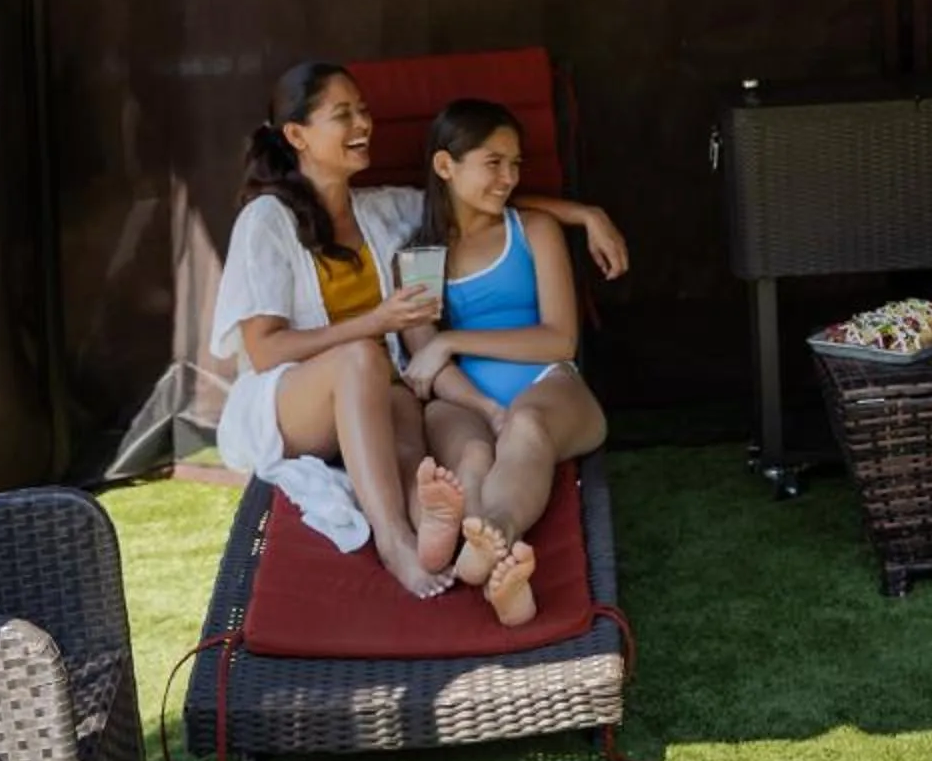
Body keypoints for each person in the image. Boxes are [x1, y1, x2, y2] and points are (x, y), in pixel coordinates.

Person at [208, 61, 628, 598]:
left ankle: (438, 535)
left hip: (378, 386)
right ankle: (394, 540)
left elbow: (476, 202)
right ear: (297, 136)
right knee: (363, 356)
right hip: (289, 401)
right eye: (343, 115)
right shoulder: (265, 220)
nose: (364, 123)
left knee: (413, 432)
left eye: (364, 110)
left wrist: (584, 215)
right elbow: (265, 352)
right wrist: (374, 324)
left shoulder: (382, 211)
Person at [396, 98, 610, 628]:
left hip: (546, 384)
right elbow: (427, 369)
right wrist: (486, 407)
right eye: (494, 162)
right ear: (445, 166)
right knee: (468, 456)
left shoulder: (533, 230)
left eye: (516, 164)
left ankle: (495, 534)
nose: (509, 177)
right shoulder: (418, 260)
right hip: (462, 398)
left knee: (527, 427)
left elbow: (559, 339)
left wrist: (453, 341)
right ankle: (493, 575)